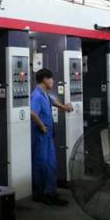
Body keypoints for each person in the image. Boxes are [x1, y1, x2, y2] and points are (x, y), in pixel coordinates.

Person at [30, 68, 73, 206]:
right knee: (42, 164)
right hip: (41, 136)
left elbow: (53, 101)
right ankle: (41, 193)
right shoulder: (36, 95)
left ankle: (49, 192)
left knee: (50, 164)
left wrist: (64, 107)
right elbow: (32, 112)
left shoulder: (44, 94)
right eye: (51, 79)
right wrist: (41, 126)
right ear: (45, 79)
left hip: (47, 136)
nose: (53, 81)